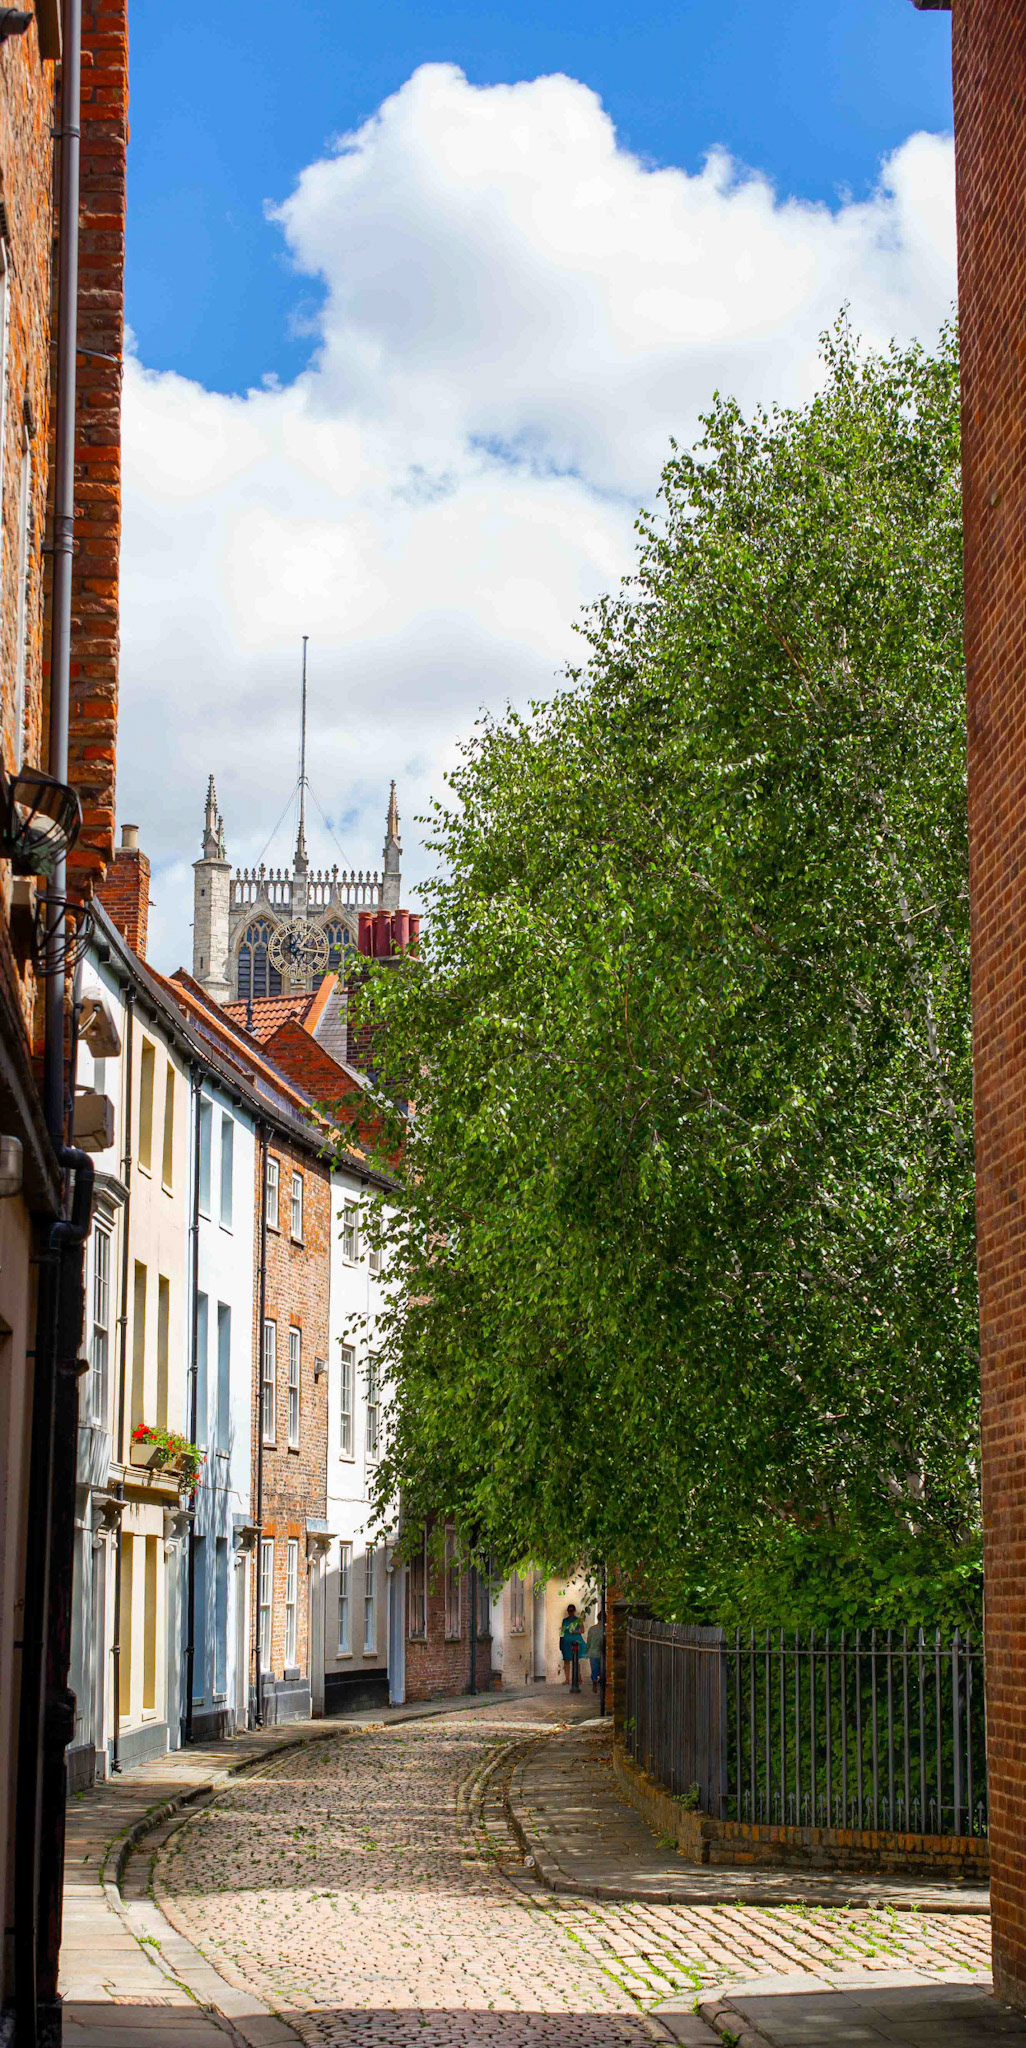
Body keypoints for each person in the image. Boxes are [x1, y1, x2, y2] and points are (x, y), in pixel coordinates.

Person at [559, 1604, 587, 1685]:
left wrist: (575, 1631)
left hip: (575, 1642)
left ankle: (578, 1677)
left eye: (571, 1611)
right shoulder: (564, 1621)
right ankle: (567, 1679)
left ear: (574, 1611)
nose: (570, 1612)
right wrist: (560, 1641)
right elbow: (562, 1632)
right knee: (566, 1661)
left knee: (576, 1660)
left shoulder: (578, 1620)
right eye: (569, 1611)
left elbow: (582, 1630)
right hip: (566, 1642)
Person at [586, 1609, 605, 1695]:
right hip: (602, 1653)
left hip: (593, 1653)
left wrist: (587, 1651)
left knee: (594, 1670)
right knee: (603, 1670)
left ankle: (594, 1680)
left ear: (597, 1618)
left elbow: (589, 1642)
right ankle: (602, 1685)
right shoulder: (606, 1629)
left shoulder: (592, 1629)